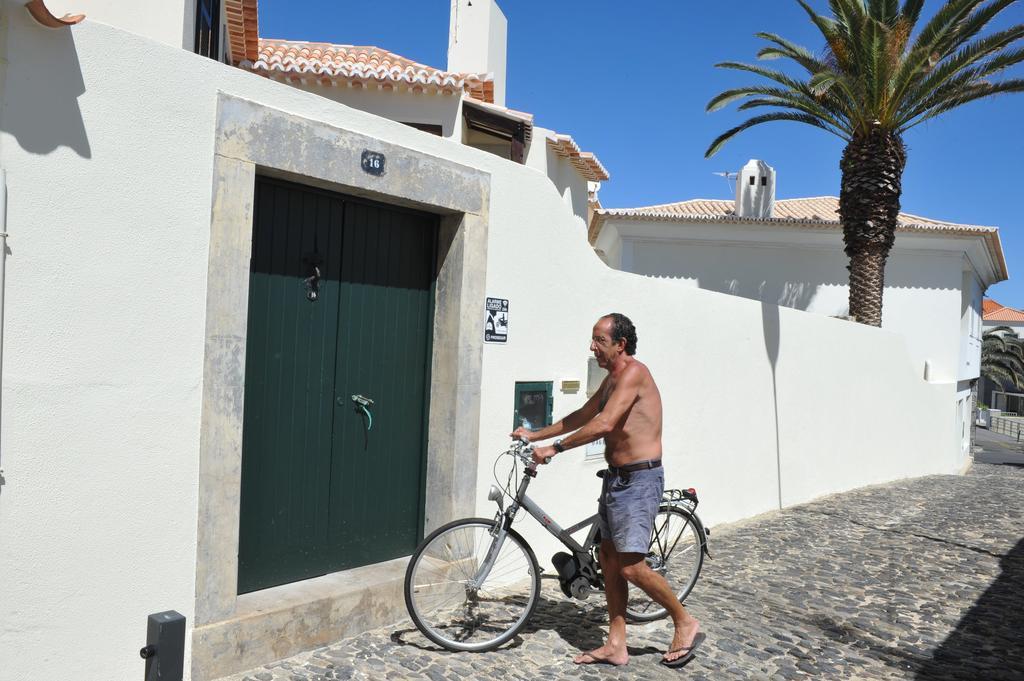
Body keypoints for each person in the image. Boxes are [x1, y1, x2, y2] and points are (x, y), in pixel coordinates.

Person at [511, 313, 704, 667]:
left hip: (639, 480)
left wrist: (554, 450)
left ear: (620, 344)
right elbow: (585, 414)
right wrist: (535, 435)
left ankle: (684, 620)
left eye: (600, 340)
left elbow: (605, 423)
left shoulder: (634, 374)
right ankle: (617, 644)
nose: (592, 346)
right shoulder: (612, 378)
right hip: (616, 479)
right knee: (610, 563)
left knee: (631, 567)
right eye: (593, 339)